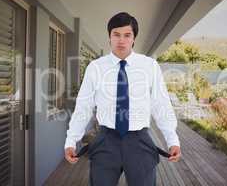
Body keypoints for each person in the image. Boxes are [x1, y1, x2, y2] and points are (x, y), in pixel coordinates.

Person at [64, 12, 181, 186]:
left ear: (134, 38)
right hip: (106, 141)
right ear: (109, 37)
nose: (121, 40)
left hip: (139, 142)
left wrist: (172, 140)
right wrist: (71, 140)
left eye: (127, 35)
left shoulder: (149, 66)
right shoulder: (95, 68)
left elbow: (160, 104)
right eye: (116, 35)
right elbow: (84, 106)